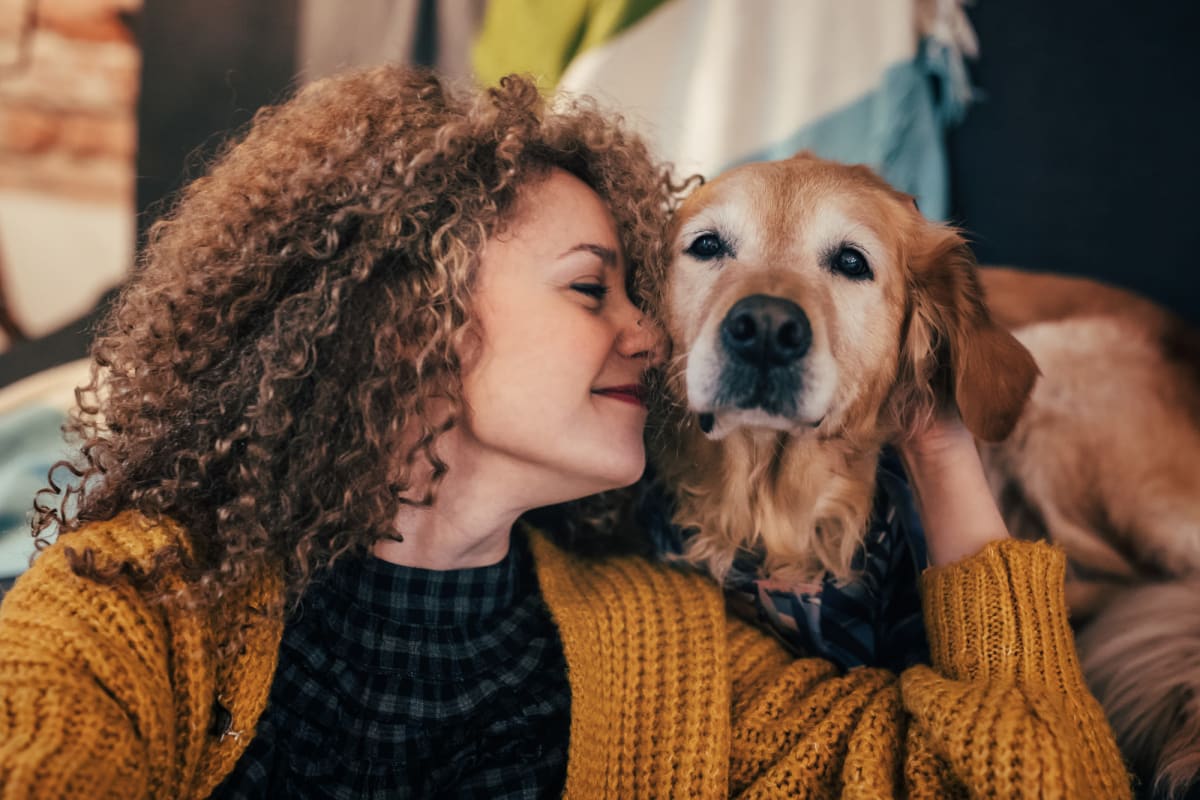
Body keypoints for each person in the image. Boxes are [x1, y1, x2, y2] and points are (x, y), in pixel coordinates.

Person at [0, 65, 1130, 799]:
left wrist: (937, 443)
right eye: (596, 290)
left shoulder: (675, 653)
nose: (654, 333)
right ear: (410, 323)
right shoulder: (139, 601)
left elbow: (1041, 777)